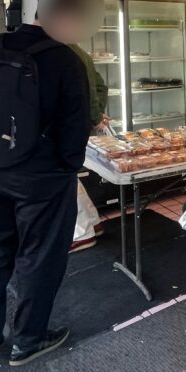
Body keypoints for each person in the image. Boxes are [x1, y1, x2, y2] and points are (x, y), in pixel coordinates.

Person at [0, 0, 93, 370]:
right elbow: (75, 123)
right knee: (39, 256)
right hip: (43, 176)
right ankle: (28, 339)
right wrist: (68, 166)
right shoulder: (65, 59)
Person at [66, 40, 109, 253]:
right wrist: (96, 114)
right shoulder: (79, 51)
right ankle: (92, 221)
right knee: (69, 176)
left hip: (66, 126)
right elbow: (99, 86)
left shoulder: (63, 52)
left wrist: (94, 116)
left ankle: (81, 233)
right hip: (77, 125)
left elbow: (93, 90)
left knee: (62, 177)